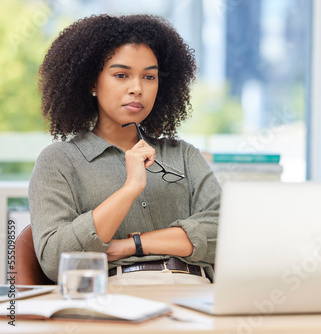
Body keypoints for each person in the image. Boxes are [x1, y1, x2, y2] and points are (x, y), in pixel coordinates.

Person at [29, 14, 221, 285]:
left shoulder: (184, 155)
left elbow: (227, 233)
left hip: (198, 292)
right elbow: (55, 259)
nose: (137, 88)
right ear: (91, 83)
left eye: (149, 77)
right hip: (115, 295)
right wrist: (130, 188)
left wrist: (132, 245)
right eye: (121, 75)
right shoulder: (59, 161)